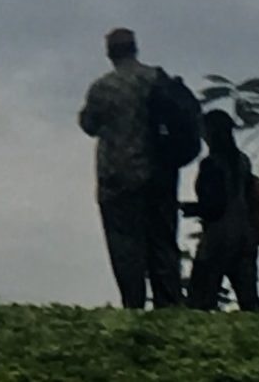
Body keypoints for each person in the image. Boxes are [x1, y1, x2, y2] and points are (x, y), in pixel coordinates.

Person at [79, 28, 184, 309]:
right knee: (163, 243)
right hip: (160, 175)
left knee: (125, 246)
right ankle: (170, 308)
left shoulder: (103, 87)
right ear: (135, 48)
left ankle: (133, 306)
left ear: (110, 53)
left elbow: (89, 125)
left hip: (118, 177)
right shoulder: (157, 79)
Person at [180, 110, 259, 311]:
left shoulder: (211, 164)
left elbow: (214, 207)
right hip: (246, 234)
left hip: (218, 236)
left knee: (200, 298)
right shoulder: (243, 161)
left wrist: (188, 208)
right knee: (249, 299)